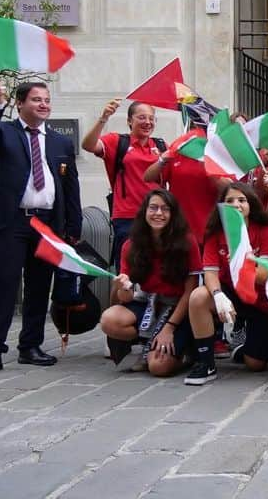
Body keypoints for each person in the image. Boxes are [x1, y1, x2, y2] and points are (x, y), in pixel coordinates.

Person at [0, 79, 82, 376]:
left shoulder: (60, 142)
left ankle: (30, 346)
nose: (43, 104)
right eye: (36, 99)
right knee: (3, 286)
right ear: (20, 103)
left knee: (39, 286)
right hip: (12, 221)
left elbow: (70, 186)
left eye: (46, 99)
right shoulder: (5, 132)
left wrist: (73, 226)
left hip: (46, 224)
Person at [183, 182, 268, 385]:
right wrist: (217, 295)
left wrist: (243, 262)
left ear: (251, 204)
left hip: (258, 299)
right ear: (221, 206)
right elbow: (210, 272)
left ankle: (243, 347)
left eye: (242, 200)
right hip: (229, 293)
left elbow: (263, 275)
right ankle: (206, 363)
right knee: (199, 297)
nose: (236, 205)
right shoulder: (215, 233)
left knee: (256, 364)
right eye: (230, 201)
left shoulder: (266, 231)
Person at [101, 189, 202, 378]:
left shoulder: (187, 242)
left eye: (165, 209)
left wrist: (169, 328)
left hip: (179, 307)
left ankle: (185, 350)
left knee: (158, 367)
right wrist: (121, 286)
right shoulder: (130, 245)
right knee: (109, 320)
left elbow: (191, 291)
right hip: (148, 302)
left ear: (173, 214)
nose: (158, 213)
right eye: (153, 208)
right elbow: (125, 298)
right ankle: (149, 342)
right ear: (144, 212)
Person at [82, 98, 164, 269]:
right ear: (129, 121)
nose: (147, 122)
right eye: (141, 117)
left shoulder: (161, 146)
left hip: (158, 217)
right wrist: (103, 118)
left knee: (156, 269)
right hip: (128, 218)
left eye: (151, 118)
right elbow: (88, 145)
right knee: (128, 270)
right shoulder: (117, 141)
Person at [143, 127, 220, 245]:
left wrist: (210, 167)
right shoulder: (178, 149)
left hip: (210, 232)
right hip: (179, 231)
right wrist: (163, 158)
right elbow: (148, 177)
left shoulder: (217, 154)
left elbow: (229, 188)